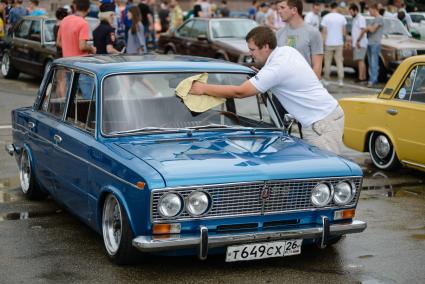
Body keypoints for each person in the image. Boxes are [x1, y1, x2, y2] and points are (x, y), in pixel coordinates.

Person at [189, 26, 345, 155]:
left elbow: (240, 92)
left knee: (324, 178)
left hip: (321, 125)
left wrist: (203, 88)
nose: (250, 54)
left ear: (265, 47)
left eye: (253, 50)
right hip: (326, 117)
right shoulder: (286, 51)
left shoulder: (276, 68)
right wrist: (263, 74)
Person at [276, 0, 323, 79]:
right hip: (283, 86)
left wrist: (310, 87)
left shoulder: (313, 33)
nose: (279, 11)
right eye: (278, 9)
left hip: (304, 87)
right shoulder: (279, 33)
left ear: (294, 10)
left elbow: (317, 66)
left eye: (282, 8)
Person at [321, 2, 347, 86]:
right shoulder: (342, 17)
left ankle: (326, 80)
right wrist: (345, 41)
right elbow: (344, 31)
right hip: (339, 43)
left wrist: (323, 42)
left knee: (327, 62)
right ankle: (340, 80)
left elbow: (324, 32)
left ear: (330, 8)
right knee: (339, 62)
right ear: (337, 7)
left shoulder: (326, 17)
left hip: (329, 43)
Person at [358, 3, 384, 88]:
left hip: (375, 43)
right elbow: (369, 28)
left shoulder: (379, 18)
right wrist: (368, 28)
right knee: (370, 62)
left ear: (374, 9)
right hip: (370, 42)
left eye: (370, 11)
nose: (369, 12)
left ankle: (373, 80)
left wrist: (367, 28)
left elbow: (372, 29)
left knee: (374, 63)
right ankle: (371, 79)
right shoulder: (375, 19)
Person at [349, 3, 367, 83]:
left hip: (360, 43)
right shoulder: (355, 18)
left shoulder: (360, 18)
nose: (350, 14)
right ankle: (363, 77)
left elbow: (363, 30)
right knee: (361, 60)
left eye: (351, 12)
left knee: (360, 60)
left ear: (355, 10)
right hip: (357, 43)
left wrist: (358, 41)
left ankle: (361, 77)